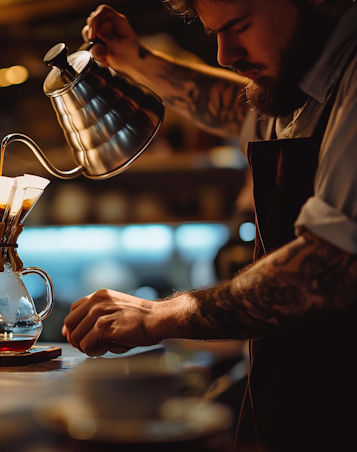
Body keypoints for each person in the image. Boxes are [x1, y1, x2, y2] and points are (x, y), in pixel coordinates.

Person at [61, 1, 357, 450]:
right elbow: (234, 110)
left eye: (238, 27)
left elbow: (326, 266)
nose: (224, 54)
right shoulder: (302, 81)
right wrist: (135, 61)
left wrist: (157, 316)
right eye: (214, 32)